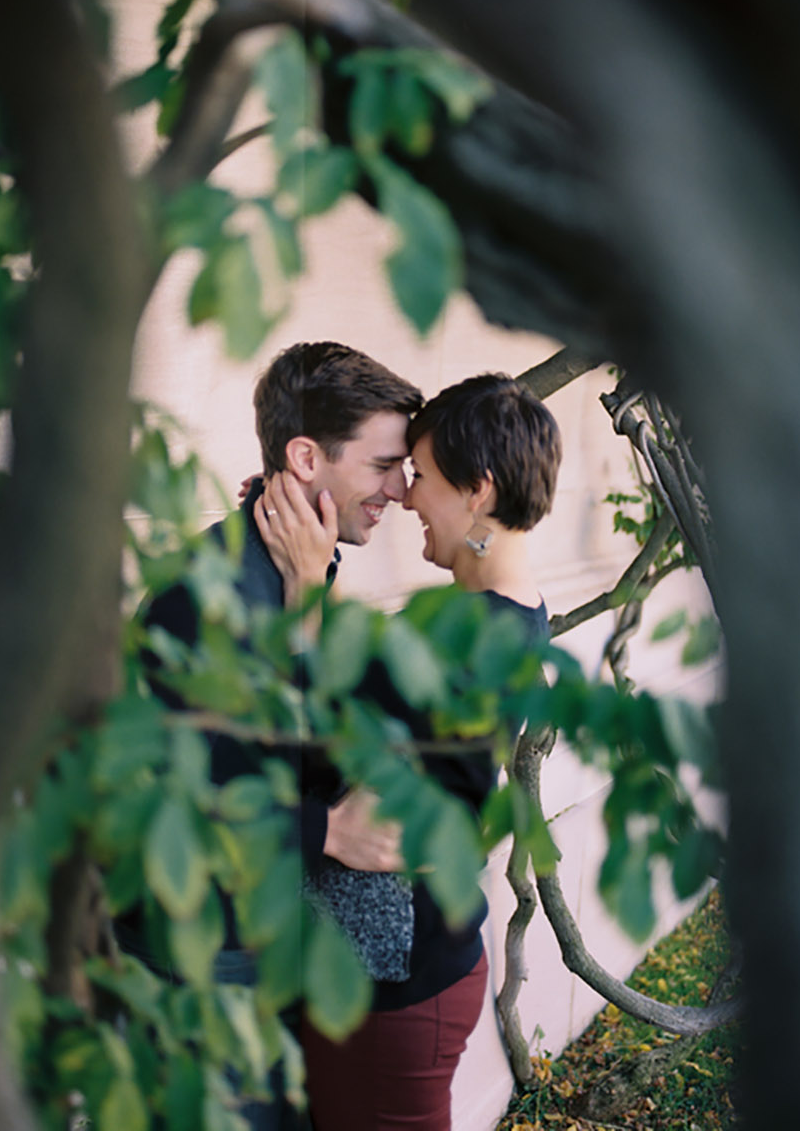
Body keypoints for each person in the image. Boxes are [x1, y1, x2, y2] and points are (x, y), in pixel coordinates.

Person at [121, 340, 423, 1131]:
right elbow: (176, 793)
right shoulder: (203, 596)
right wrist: (331, 830)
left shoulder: (302, 563)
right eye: (384, 465)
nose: (400, 488)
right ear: (305, 457)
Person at [255, 372, 562, 1131]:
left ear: (479, 491)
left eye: (420, 476)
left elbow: (320, 747)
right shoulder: (504, 614)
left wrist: (302, 588)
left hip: (398, 990)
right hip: (396, 971)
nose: (405, 497)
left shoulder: (461, 641)